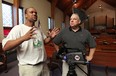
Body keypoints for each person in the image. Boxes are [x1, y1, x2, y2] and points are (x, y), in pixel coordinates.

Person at [2, 7, 59, 76]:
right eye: (31, 12)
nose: (34, 14)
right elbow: (5, 47)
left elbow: (44, 42)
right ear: (25, 15)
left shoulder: (38, 29)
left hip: (43, 65)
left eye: (36, 13)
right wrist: (23, 38)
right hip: (29, 68)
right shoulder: (18, 28)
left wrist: (50, 37)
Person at [53, 9, 96, 76]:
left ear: (79, 21)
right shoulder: (64, 32)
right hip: (67, 61)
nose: (71, 20)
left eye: (74, 19)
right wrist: (59, 52)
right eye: (70, 19)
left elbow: (93, 45)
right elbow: (55, 42)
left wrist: (90, 56)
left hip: (80, 61)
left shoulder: (86, 33)